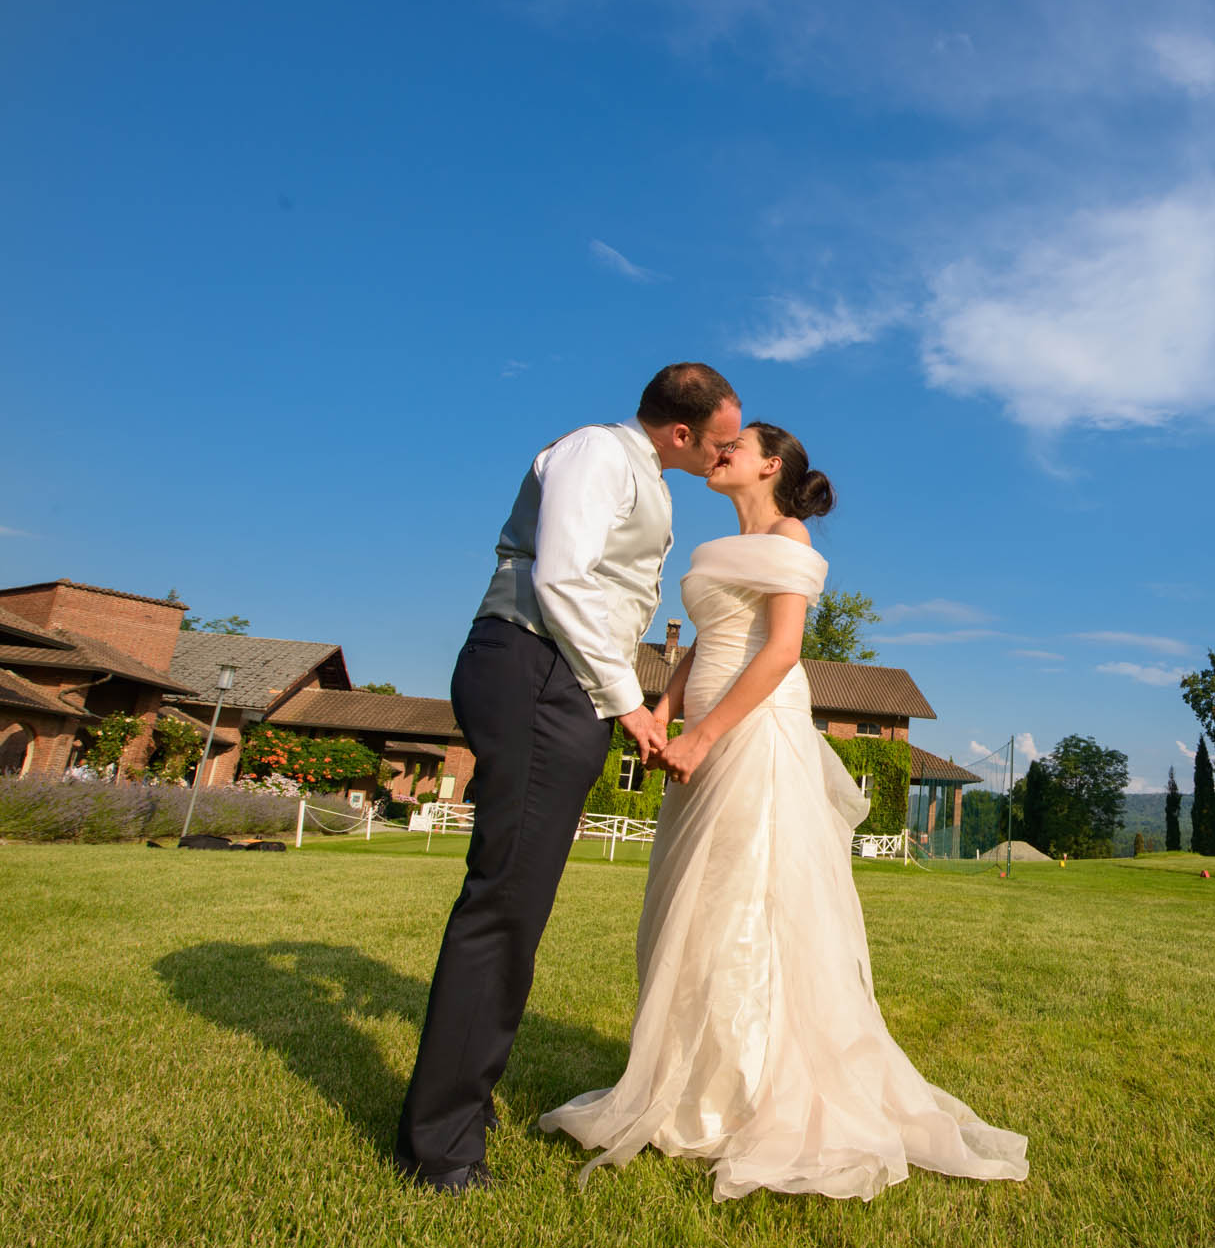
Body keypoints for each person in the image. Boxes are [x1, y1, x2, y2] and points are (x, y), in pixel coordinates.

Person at [539, 422, 1029, 1200]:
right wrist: (664, 706)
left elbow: (780, 650)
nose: (721, 447)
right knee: (692, 907)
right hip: (699, 734)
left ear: (771, 465)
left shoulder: (790, 531)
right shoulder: (719, 544)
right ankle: (694, 1079)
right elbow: (704, 642)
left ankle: (748, 1094)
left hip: (754, 734)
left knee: (748, 904)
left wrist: (702, 735)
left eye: (740, 442)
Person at [394, 362, 742, 1194]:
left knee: (522, 898)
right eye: (723, 440)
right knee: (506, 901)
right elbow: (561, 578)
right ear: (683, 431)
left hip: (570, 684)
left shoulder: (646, 476)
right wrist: (629, 705)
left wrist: (623, 701)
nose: (727, 454)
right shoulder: (598, 452)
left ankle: (459, 1111)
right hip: (535, 666)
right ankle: (438, 1147)